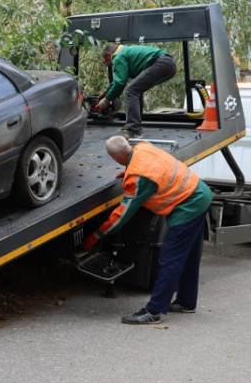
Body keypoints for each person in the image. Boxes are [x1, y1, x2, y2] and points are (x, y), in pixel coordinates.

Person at [82, 136, 212, 324]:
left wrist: (96, 235)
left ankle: (154, 312)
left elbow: (122, 215)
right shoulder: (143, 147)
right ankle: (186, 302)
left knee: (170, 258)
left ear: (113, 158)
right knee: (190, 255)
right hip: (200, 192)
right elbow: (148, 165)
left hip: (188, 206)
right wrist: (129, 171)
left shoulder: (139, 178)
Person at [94, 43, 177, 139]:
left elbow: (120, 83)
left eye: (107, 60)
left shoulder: (118, 56)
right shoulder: (124, 51)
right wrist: (105, 92)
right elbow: (118, 81)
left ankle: (133, 129)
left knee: (130, 91)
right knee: (136, 89)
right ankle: (136, 125)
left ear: (109, 54)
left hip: (161, 63)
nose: (109, 64)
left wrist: (106, 101)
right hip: (169, 64)